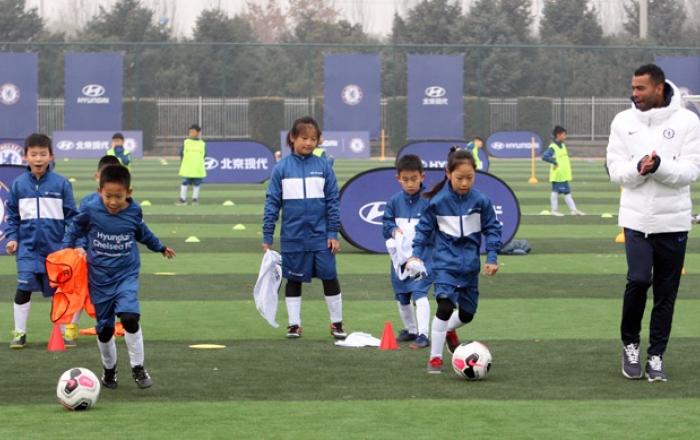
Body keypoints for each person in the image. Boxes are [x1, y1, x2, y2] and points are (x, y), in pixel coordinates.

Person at [607, 63, 700, 382]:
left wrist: (659, 166)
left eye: (640, 88)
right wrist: (639, 167)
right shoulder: (622, 121)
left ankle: (656, 356)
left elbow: (691, 171)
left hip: (674, 222)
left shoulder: (688, 121)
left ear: (659, 88)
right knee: (637, 280)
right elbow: (615, 170)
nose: (634, 93)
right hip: (635, 220)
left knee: (666, 292)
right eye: (633, 88)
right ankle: (630, 345)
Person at [63, 165, 176, 389]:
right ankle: (109, 370)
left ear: (129, 193)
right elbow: (75, 228)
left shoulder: (134, 212)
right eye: (108, 196)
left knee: (130, 317)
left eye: (118, 196)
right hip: (99, 278)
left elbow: (143, 233)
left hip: (126, 275)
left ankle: (138, 367)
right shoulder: (91, 210)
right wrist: (67, 250)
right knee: (104, 329)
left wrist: (160, 247)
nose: (113, 202)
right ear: (99, 192)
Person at [406, 147, 502, 373]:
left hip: (470, 268)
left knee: (467, 314)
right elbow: (423, 230)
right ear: (448, 174)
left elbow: (493, 229)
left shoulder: (481, 201)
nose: (465, 183)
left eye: (470, 177)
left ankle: (448, 330)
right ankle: (435, 358)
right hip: (444, 265)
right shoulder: (437, 202)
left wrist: (492, 257)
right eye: (460, 178)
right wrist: (415, 254)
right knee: (445, 306)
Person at [262, 116, 347, 340]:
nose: (309, 143)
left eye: (313, 139)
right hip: (293, 237)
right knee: (293, 279)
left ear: (319, 140)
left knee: (330, 277)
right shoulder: (281, 168)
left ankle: (337, 323)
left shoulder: (324, 166)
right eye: (304, 138)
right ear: (292, 138)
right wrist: (267, 235)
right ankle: (294, 324)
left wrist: (332, 233)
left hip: (321, 236)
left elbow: (333, 202)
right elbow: (272, 203)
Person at [4, 133, 78, 349]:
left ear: (51, 156)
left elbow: (73, 217)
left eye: (43, 154)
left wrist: (72, 243)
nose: (38, 159)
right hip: (27, 249)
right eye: (34, 154)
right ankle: (19, 333)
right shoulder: (18, 185)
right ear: (25, 157)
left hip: (56, 250)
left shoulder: (61, 184)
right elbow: (12, 217)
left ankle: (64, 332)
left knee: (59, 291)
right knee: (23, 287)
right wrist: (12, 238)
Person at [382, 154, 432, 349]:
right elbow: (386, 224)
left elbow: (435, 228)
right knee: (402, 294)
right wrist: (393, 230)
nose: (410, 184)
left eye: (414, 179)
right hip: (399, 258)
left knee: (419, 292)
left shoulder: (429, 201)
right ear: (398, 179)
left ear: (422, 177)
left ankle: (423, 334)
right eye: (405, 179)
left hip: (423, 256)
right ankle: (411, 330)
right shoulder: (394, 201)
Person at [542, 126, 584, 216]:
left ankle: (573, 210)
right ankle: (554, 211)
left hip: (563, 175)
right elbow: (545, 156)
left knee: (567, 192)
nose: (565, 137)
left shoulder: (563, 145)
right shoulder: (553, 147)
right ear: (558, 135)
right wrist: (554, 162)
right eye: (564, 135)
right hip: (558, 175)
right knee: (555, 192)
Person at [177, 124, 206, 206]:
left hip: (197, 168)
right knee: (184, 183)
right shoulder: (186, 142)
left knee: (197, 184)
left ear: (198, 133)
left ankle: (195, 200)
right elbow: (181, 154)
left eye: (193, 132)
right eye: (190, 132)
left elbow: (205, 155)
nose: (191, 134)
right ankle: (183, 200)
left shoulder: (202, 144)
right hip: (187, 168)